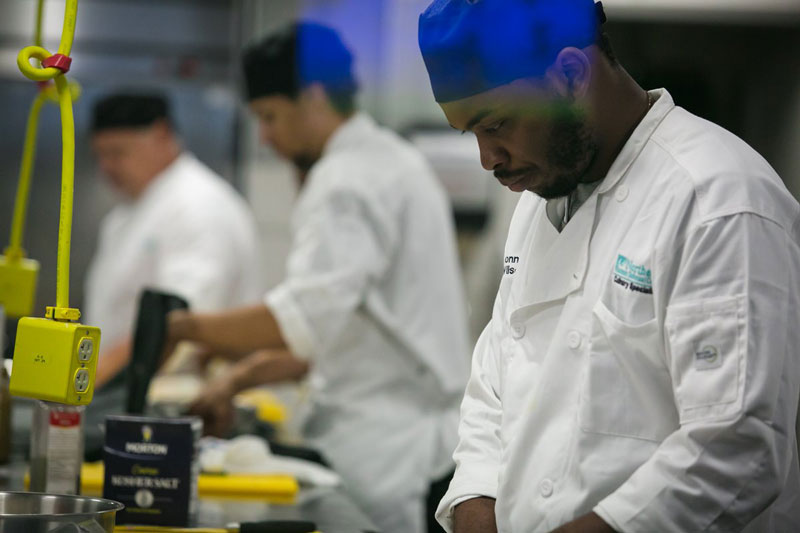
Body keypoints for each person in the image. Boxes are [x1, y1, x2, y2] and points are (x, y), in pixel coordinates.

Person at [418, 1, 800, 532]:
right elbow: (493, 386)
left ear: (572, 75)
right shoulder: (538, 199)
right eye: (470, 134)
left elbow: (736, 446)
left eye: (497, 124)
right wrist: (476, 506)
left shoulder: (716, 199)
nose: (488, 159)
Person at [168, 23, 470, 533]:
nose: (264, 137)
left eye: (269, 117)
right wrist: (238, 375)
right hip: (404, 432)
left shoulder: (346, 181)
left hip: (384, 451)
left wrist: (182, 328)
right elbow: (334, 330)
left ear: (311, 98)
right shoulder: (391, 160)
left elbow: (298, 320)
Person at [86, 93, 263, 388]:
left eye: (117, 153)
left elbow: (173, 325)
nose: (107, 167)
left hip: (180, 397)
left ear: (161, 134)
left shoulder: (198, 205)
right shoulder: (128, 212)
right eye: (100, 155)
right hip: (123, 389)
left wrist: (92, 383)